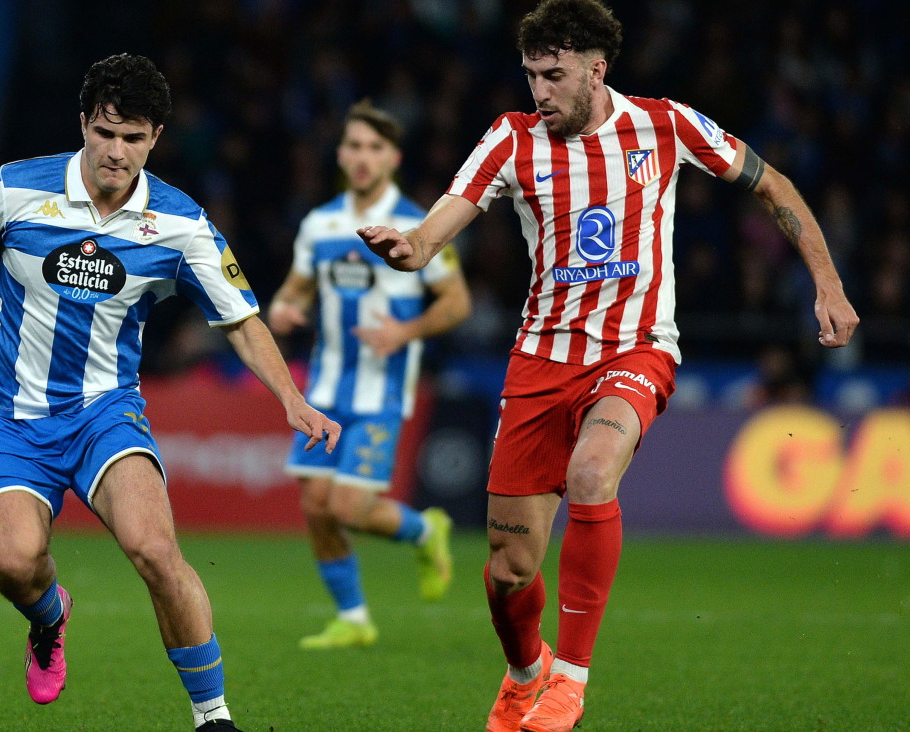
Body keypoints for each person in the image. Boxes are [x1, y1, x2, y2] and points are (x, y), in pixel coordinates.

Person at [357, 2, 859, 730]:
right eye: (531, 75)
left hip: (636, 347)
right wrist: (406, 246)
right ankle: (527, 671)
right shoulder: (510, 139)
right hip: (540, 360)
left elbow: (773, 184)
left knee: (594, 472)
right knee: (508, 570)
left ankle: (570, 680)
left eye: (554, 75)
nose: (540, 92)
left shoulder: (666, 125)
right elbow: (435, 231)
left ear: (597, 70)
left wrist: (829, 281)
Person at [0, 54, 340, 732]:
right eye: (105, 132)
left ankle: (214, 718)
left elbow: (240, 319)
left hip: (103, 415)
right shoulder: (12, 191)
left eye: (133, 137)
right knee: (14, 562)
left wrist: (292, 398)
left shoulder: (180, 224)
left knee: (155, 551)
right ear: (83, 123)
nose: (116, 151)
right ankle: (49, 617)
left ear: (156, 139)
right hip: (8, 417)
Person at [267, 100, 470, 649]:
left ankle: (427, 529)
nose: (363, 157)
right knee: (315, 507)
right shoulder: (320, 223)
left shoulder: (418, 224)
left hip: (381, 390)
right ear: (341, 153)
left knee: (349, 508)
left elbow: (456, 302)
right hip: (325, 391)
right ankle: (354, 619)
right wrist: (282, 310)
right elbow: (294, 289)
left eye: (374, 148)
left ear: (393, 157)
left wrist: (405, 333)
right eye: (354, 145)